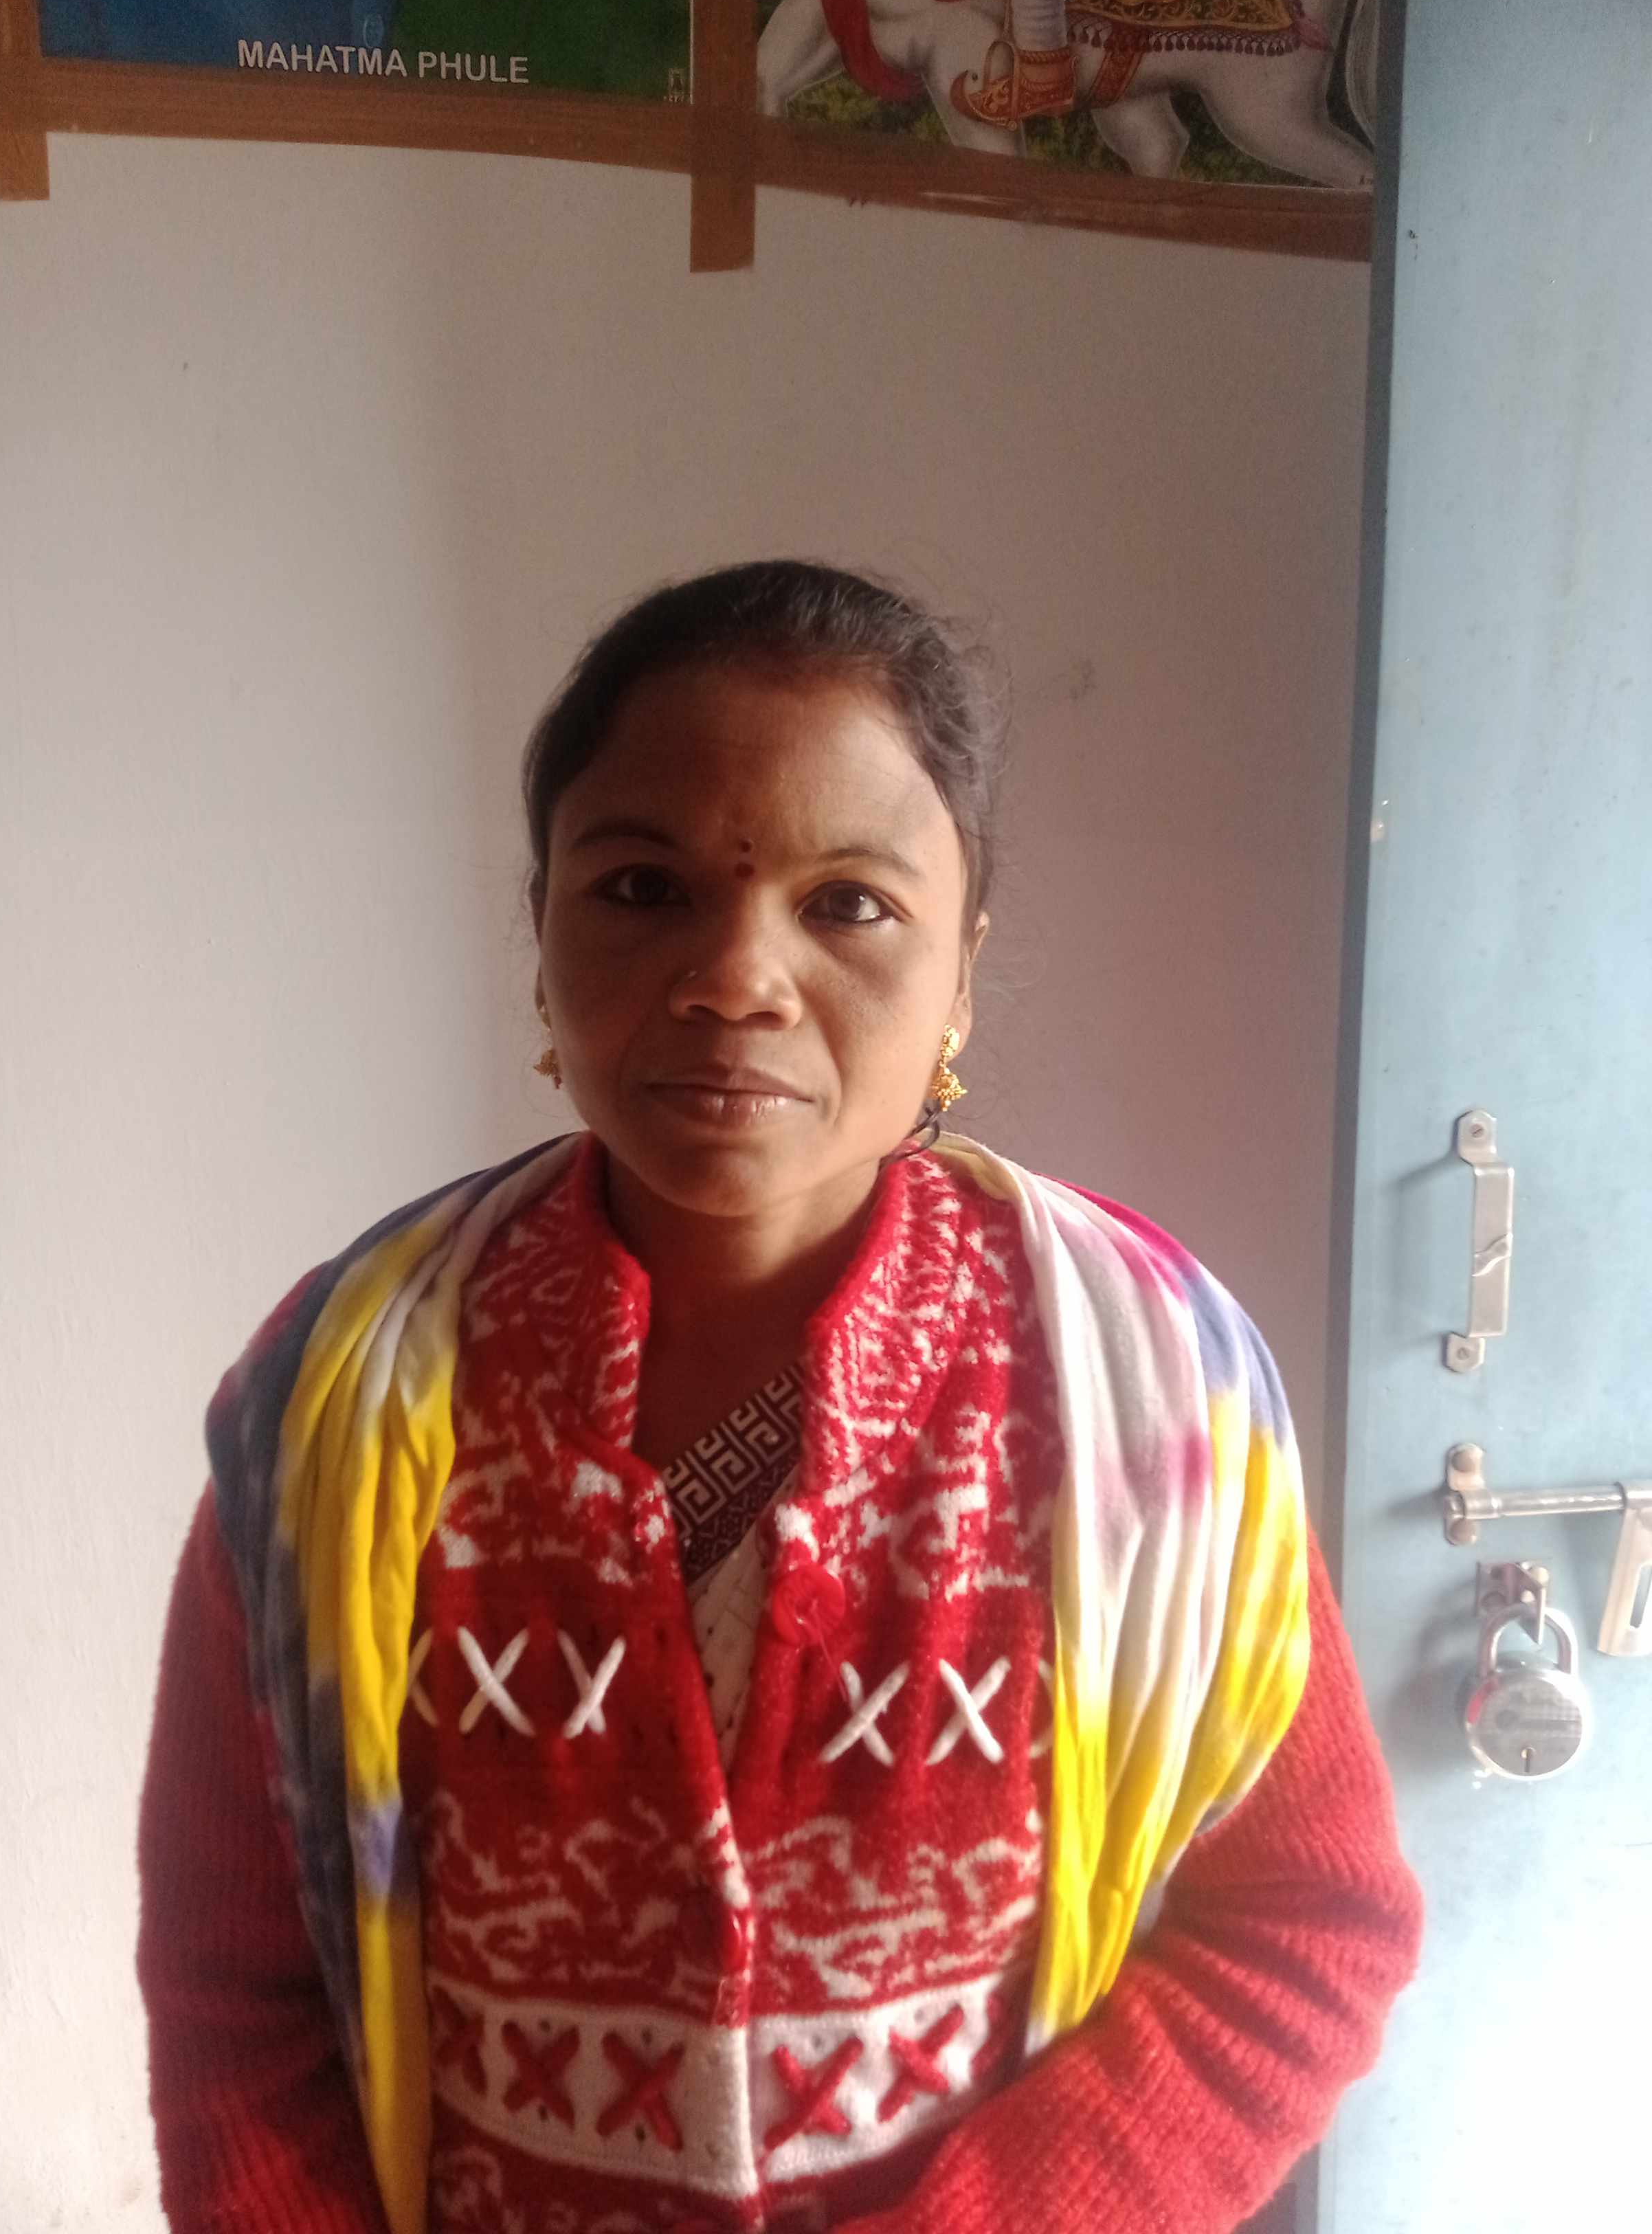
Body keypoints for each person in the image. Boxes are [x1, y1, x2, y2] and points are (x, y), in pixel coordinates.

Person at [137, 559, 1422, 2234]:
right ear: (541, 932)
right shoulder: (339, 1409)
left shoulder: (1146, 1403)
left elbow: (1305, 1925)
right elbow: (238, 1998)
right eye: (641, 887)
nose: (736, 974)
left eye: (849, 906)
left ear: (963, 974)